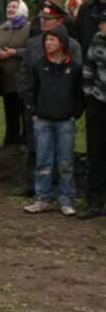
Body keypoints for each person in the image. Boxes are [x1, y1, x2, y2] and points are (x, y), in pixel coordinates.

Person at [22, 25, 83, 215]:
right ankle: (43, 197)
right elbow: (30, 88)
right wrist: (34, 110)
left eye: (52, 40)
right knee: (43, 160)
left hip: (65, 120)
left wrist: (75, 113)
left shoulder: (74, 67)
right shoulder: (39, 64)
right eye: (46, 40)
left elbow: (79, 92)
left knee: (65, 162)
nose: (48, 43)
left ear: (62, 43)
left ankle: (66, 199)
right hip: (43, 119)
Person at [0, 0, 31, 147]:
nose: (10, 9)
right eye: (9, 6)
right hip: (6, 76)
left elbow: (32, 49)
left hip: (23, 75)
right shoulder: (2, 28)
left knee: (24, 110)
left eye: (14, 7)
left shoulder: (29, 28)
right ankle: (11, 139)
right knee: (9, 109)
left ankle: (26, 140)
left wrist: (15, 52)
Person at [79, 13, 106, 219]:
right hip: (98, 100)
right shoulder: (97, 39)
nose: (102, 26)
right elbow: (89, 67)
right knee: (95, 151)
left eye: (105, 23)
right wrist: (88, 95)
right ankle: (94, 201)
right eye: (101, 23)